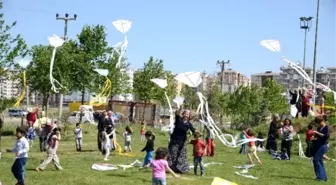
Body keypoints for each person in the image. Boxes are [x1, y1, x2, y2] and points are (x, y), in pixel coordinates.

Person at [168, 109, 195, 173]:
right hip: (174, 140)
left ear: (189, 116)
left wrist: (190, 138)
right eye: (185, 113)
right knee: (172, 154)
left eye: (187, 114)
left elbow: (194, 131)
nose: (186, 115)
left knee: (181, 155)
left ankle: (180, 169)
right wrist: (179, 107)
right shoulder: (178, 120)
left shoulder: (189, 124)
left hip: (182, 142)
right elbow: (177, 114)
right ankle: (171, 168)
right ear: (183, 114)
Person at [312, 116, 330, 181]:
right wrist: (314, 137)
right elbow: (318, 136)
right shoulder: (319, 128)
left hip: (324, 145)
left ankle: (320, 177)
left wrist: (317, 133)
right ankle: (324, 177)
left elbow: (326, 136)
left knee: (315, 159)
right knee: (319, 160)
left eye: (318, 122)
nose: (318, 124)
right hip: (318, 145)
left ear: (322, 121)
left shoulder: (326, 127)